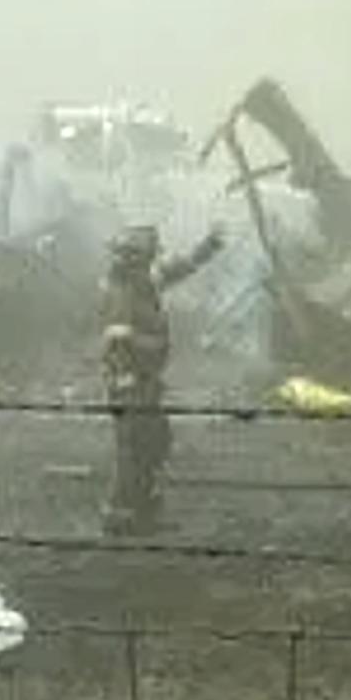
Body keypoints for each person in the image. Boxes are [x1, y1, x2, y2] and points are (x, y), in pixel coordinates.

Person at [99, 221, 227, 535]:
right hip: (130, 383)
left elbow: (177, 270)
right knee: (134, 448)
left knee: (154, 442)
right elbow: (117, 344)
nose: (153, 262)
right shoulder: (122, 293)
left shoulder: (143, 283)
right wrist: (130, 383)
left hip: (145, 381)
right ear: (135, 259)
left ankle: (143, 511)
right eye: (148, 257)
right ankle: (122, 516)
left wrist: (208, 246)